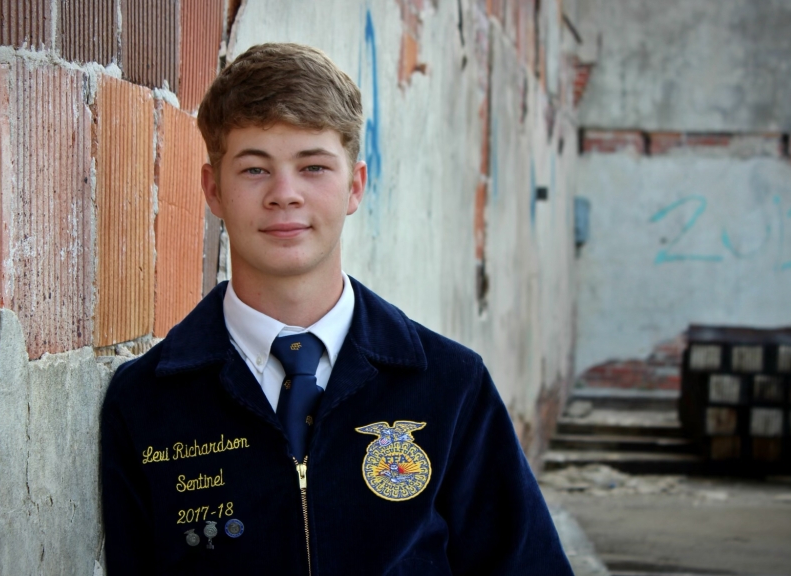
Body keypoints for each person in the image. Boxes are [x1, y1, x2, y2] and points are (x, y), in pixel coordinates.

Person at [100, 42, 573, 576]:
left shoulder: (448, 383)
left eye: (314, 167)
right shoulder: (146, 401)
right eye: (254, 169)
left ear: (356, 185)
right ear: (213, 190)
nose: (285, 194)